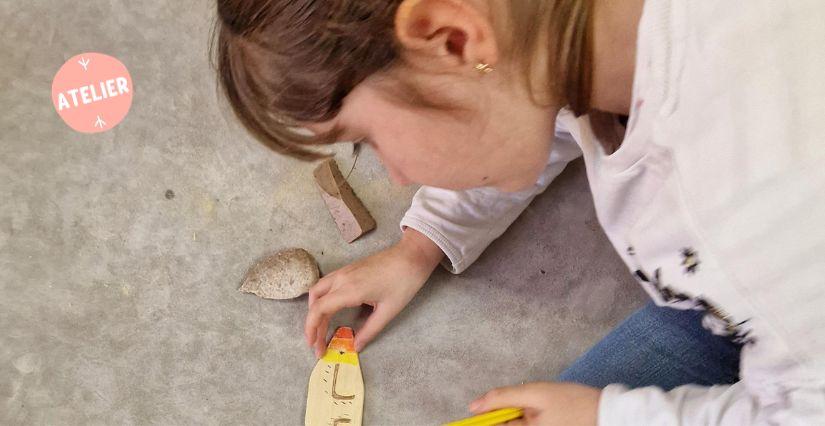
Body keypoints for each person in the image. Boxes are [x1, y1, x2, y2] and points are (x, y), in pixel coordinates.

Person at [212, 0, 825, 424]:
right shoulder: (576, 33)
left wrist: (610, 418)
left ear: (453, 38)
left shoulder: (755, 211)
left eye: (365, 139)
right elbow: (524, 99)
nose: (394, 175)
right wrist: (421, 244)